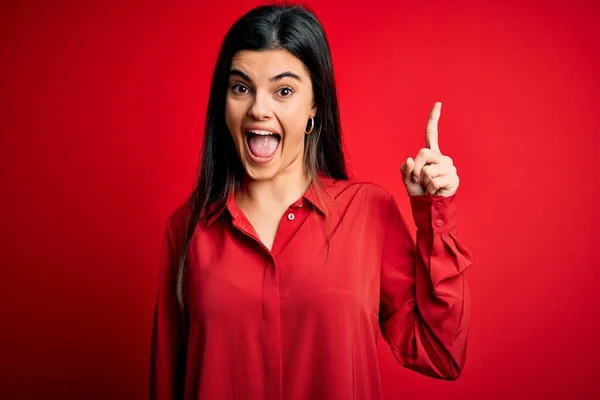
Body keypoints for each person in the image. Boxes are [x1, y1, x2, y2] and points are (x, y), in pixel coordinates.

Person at [150, 3, 473, 400]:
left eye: (283, 90)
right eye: (241, 87)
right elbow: (167, 381)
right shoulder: (187, 228)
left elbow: (441, 353)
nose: (258, 109)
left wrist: (435, 214)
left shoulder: (369, 213)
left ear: (314, 106)